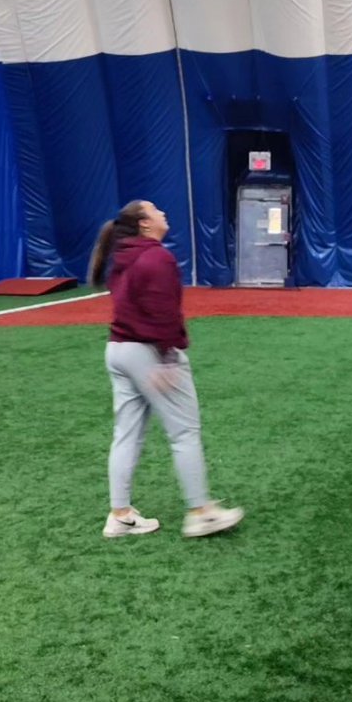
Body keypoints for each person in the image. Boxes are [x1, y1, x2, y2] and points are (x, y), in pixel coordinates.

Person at [88, 200, 244, 539]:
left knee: (126, 435)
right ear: (144, 223)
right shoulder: (157, 257)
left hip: (118, 350)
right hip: (148, 353)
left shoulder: (125, 256)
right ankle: (201, 512)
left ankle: (120, 514)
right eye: (157, 210)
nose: (163, 212)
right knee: (184, 432)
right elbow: (164, 313)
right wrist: (168, 359)